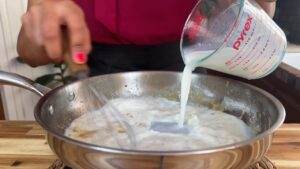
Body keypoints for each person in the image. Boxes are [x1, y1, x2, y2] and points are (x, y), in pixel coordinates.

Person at [17, 0, 276, 76]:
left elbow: (262, 14)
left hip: (191, 61)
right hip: (98, 75)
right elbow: (31, 54)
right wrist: (41, 27)